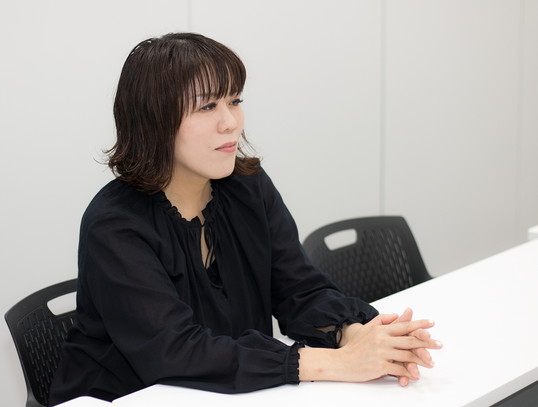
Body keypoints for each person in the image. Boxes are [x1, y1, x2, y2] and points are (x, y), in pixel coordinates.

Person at [48, 32, 441, 406]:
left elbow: (299, 290)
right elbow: (174, 351)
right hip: (126, 397)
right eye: (207, 107)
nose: (231, 122)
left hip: (231, 392)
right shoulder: (114, 224)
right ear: (155, 121)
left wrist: (357, 337)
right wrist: (337, 363)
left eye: (234, 101)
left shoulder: (247, 188)